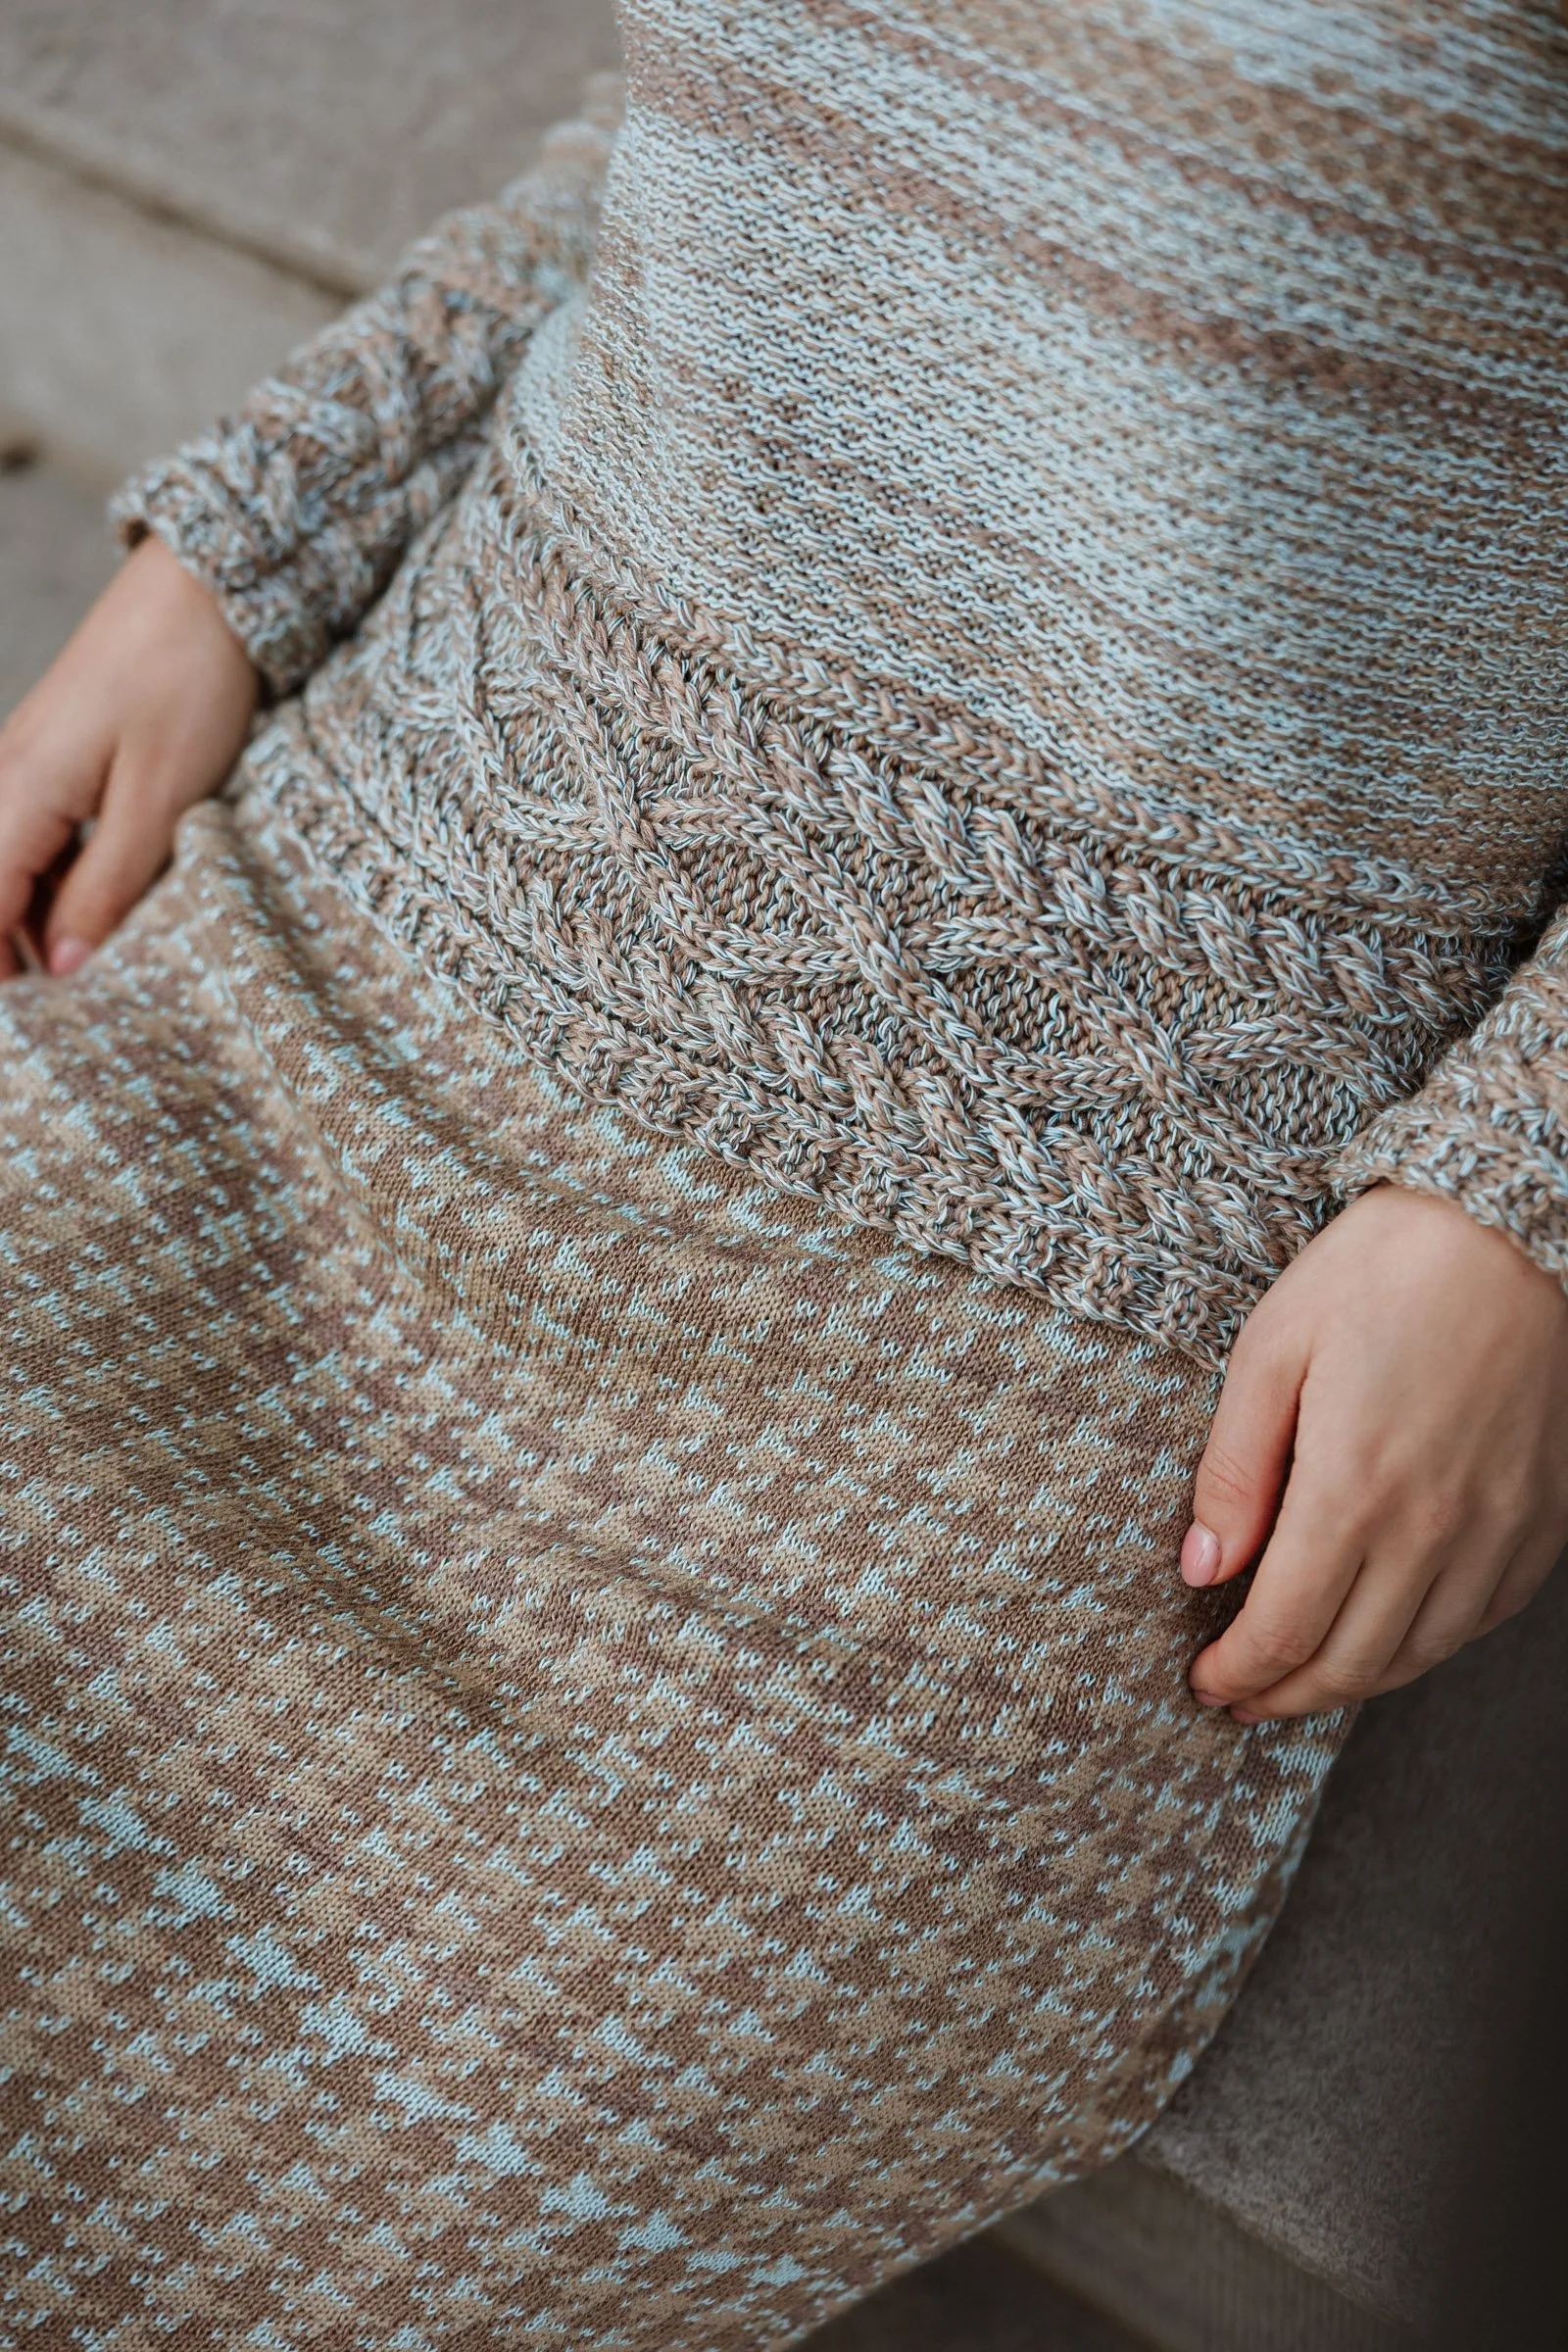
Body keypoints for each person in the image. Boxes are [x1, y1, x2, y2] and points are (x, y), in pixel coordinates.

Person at [3, 7, 1566, 2344]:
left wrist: (1521, 1188)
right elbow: (716, 143)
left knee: (392, 2203)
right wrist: (246, 548)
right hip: (390, 888)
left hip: (1051, 1257)